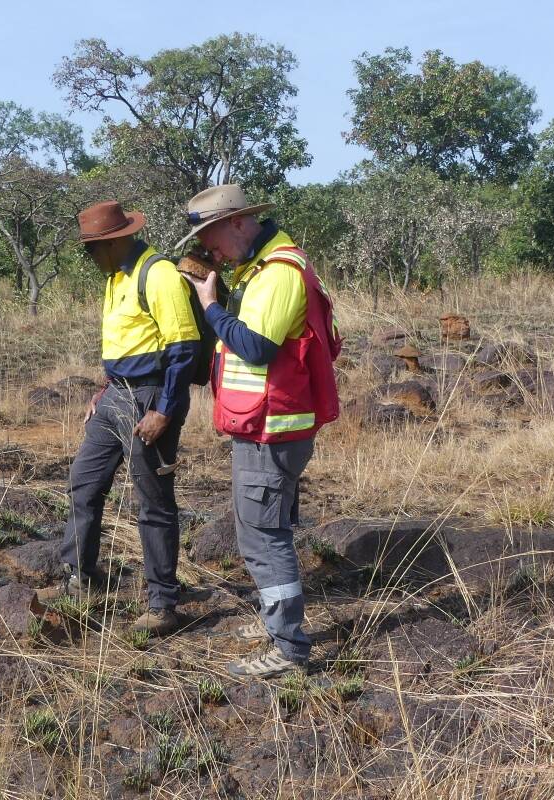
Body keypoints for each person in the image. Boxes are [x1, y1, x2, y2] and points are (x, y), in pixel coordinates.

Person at [176, 184, 341, 678]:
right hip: (267, 424)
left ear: (240, 224)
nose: (213, 250)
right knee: (269, 529)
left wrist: (209, 306)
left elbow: (256, 347)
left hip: (271, 430)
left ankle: (289, 649)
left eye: (214, 237)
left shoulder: (277, 275)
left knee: (261, 536)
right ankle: (278, 622)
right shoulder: (261, 268)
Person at [53, 200, 200, 637]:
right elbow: (125, 343)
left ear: (114, 241)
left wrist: (164, 411)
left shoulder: (158, 275)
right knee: (84, 481)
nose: (89, 256)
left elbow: (184, 349)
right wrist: (102, 391)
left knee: (152, 502)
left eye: (92, 248)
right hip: (115, 395)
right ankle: (80, 578)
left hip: (152, 397)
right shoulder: (116, 276)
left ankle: (163, 604)